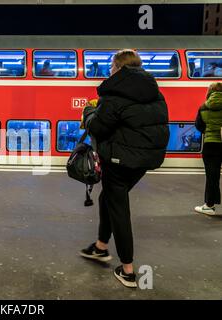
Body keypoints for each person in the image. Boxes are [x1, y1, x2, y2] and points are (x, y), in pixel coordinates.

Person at [79, 49, 169, 288]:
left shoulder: (115, 94)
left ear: (118, 68)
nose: (109, 71)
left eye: (111, 66)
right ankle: (100, 246)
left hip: (120, 161)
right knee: (107, 198)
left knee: (118, 208)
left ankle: (128, 270)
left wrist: (89, 111)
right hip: (144, 161)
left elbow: (98, 128)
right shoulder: (155, 93)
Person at [194, 82, 222, 216]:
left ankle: (209, 206)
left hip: (211, 145)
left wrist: (209, 130)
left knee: (212, 176)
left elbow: (199, 126)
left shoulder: (203, 107)